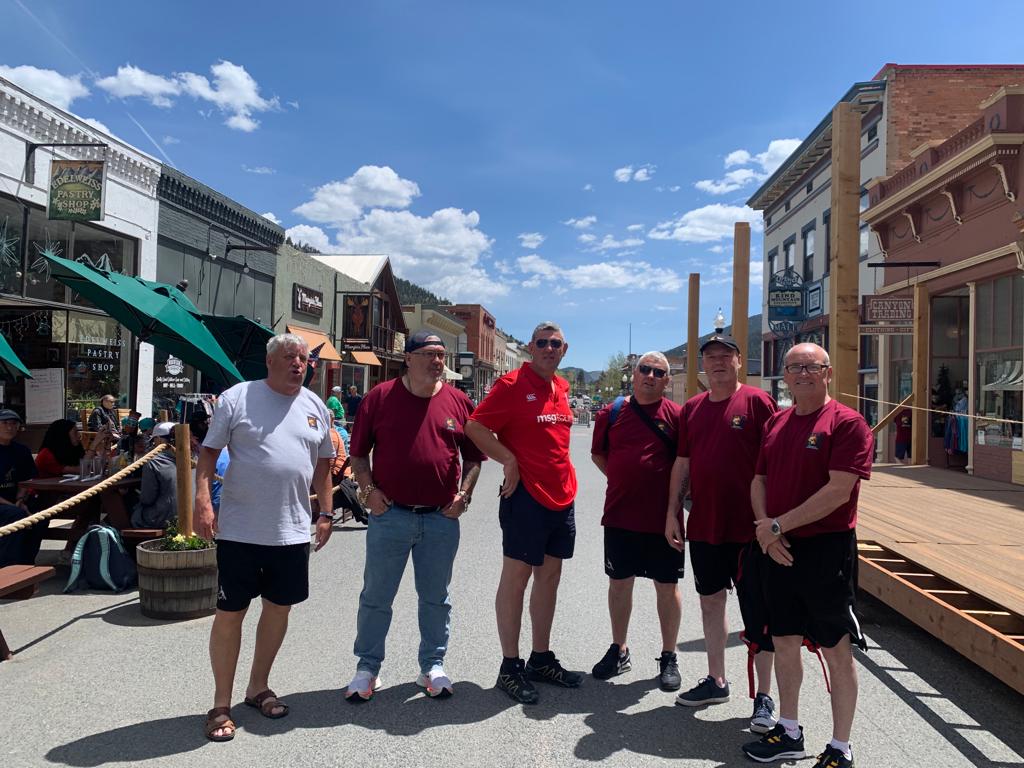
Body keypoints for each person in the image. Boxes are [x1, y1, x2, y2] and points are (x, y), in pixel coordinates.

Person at [194, 332, 335, 742]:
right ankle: (221, 704)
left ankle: (258, 687)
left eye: (304, 359)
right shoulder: (238, 397)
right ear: (270, 361)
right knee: (230, 613)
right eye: (290, 357)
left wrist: (325, 513)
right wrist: (203, 502)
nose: (298, 364)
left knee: (278, 610)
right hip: (239, 530)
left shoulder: (315, 406)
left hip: (291, 531)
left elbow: (324, 464)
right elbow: (207, 454)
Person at [741, 343, 873, 768]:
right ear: (784, 375)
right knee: (784, 641)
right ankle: (790, 729)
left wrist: (778, 526)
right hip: (776, 546)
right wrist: (766, 529)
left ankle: (840, 747)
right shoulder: (777, 423)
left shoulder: (848, 423)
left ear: (827, 373)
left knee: (836, 648)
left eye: (810, 367)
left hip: (825, 550)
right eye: (793, 367)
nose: (801, 373)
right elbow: (757, 480)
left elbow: (839, 491)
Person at [344, 330, 484, 701]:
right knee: (376, 595)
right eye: (429, 354)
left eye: (442, 355)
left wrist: (464, 495)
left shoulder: (458, 402)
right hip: (390, 516)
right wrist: (369, 493)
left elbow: (473, 457)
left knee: (436, 597)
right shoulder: (380, 398)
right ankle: (367, 668)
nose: (438, 361)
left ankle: (432, 666)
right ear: (408, 359)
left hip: (441, 518)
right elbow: (358, 455)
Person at [666, 333, 779, 734]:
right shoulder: (692, 409)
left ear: (737, 362)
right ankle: (717, 680)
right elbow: (682, 464)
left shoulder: (757, 402)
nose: (717, 362)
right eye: (710, 357)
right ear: (703, 366)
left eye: (724, 356)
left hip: (749, 530)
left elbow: (776, 463)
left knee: (758, 612)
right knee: (710, 603)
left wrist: (774, 522)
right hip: (706, 526)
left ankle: (764, 696)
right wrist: (672, 513)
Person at [465, 321, 580, 705]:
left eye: (556, 344)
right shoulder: (512, 385)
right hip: (526, 496)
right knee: (517, 578)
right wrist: (508, 460)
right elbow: (475, 426)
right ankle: (509, 666)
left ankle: (540, 659)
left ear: (565, 350)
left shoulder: (561, 389)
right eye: (543, 342)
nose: (549, 348)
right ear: (531, 347)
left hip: (562, 497)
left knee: (550, 577)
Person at [591, 352, 684, 692]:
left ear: (667, 381)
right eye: (644, 369)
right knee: (619, 583)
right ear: (633, 374)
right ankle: (619, 649)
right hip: (620, 514)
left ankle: (669, 655)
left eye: (659, 372)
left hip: (665, 520)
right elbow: (598, 454)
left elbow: (683, 463)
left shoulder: (677, 416)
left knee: (667, 586)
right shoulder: (611, 412)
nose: (650, 376)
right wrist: (621, 478)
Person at [0, 409, 44, 567]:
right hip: (4, 504)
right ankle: (7, 566)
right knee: (16, 515)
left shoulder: (21, 451)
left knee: (41, 515)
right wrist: (14, 506)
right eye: (5, 423)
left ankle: (26, 564)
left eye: (13, 424)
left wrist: (20, 499)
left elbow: (26, 480)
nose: (10, 427)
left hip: (16, 500)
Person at [131, 422, 179, 529]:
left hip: (165, 519)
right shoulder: (193, 457)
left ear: (160, 440)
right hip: (190, 513)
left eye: (154, 441)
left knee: (131, 509)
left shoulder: (153, 462)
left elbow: (147, 499)